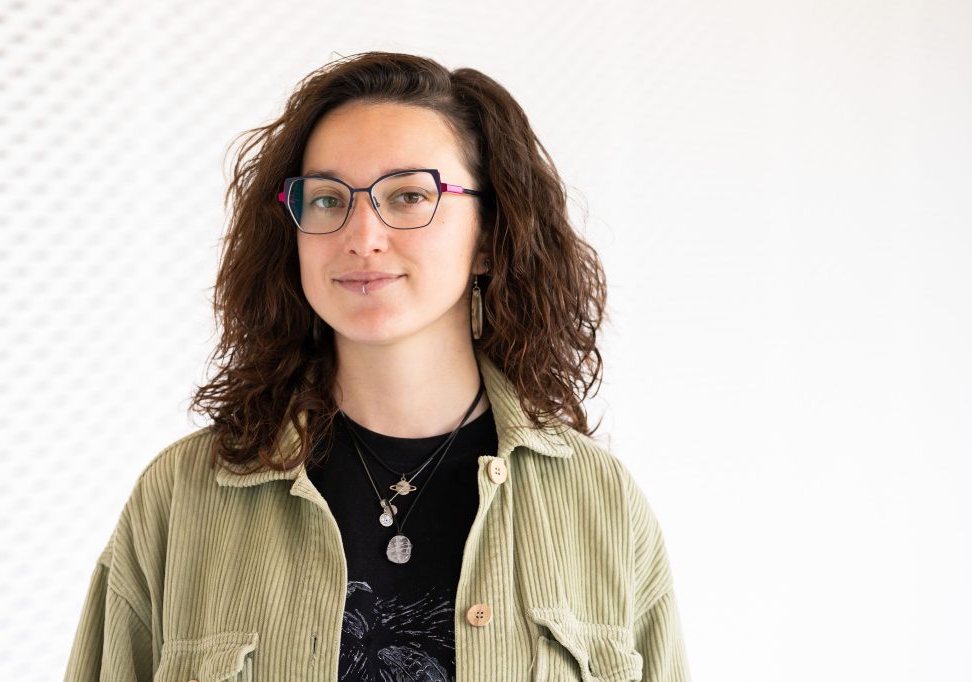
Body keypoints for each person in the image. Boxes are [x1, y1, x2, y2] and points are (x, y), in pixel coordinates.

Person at [63, 51, 690, 681]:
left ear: (489, 237)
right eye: (327, 199)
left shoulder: (601, 502)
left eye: (409, 195)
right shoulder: (181, 497)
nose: (361, 236)